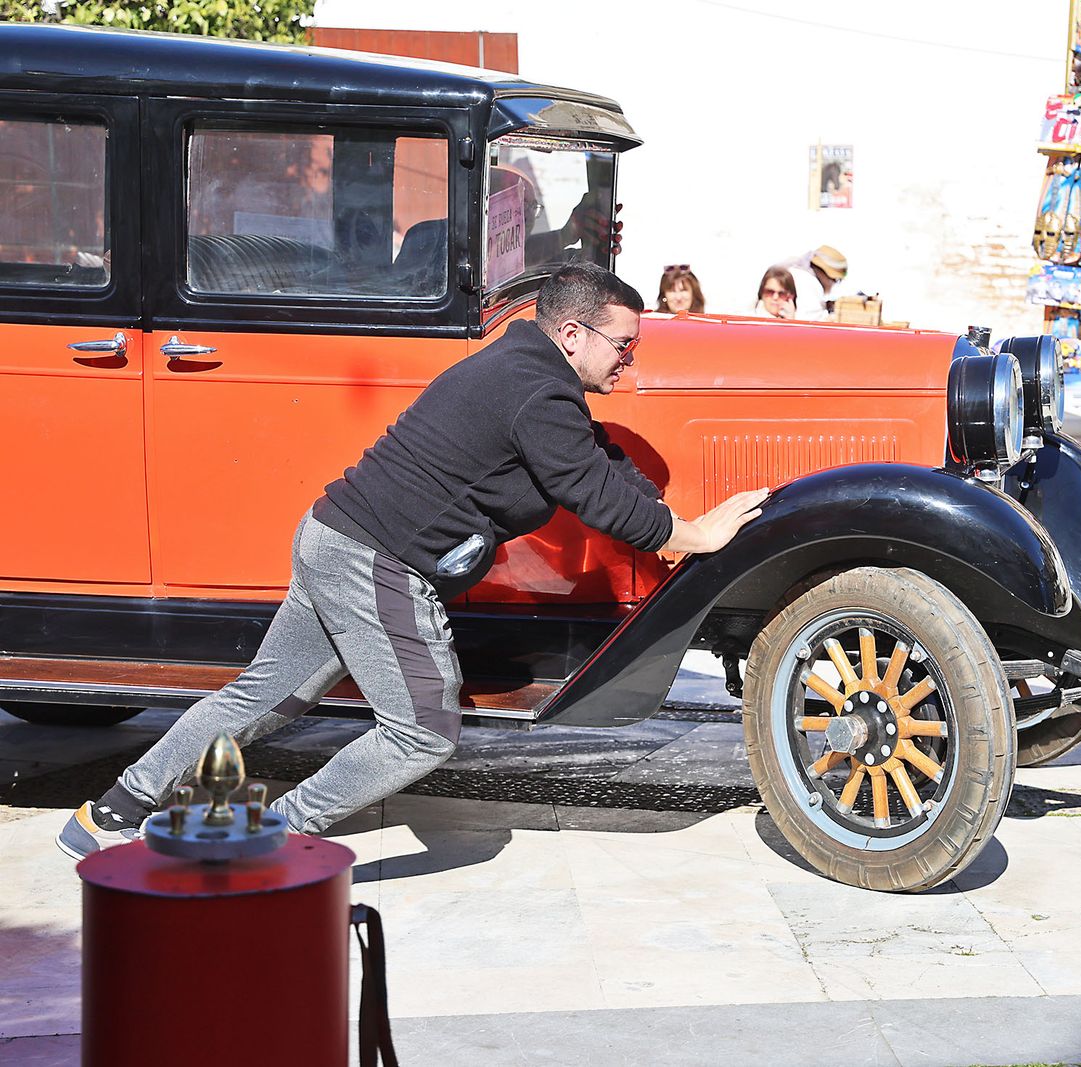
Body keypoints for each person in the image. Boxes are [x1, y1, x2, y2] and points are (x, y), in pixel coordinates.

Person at [58, 263, 768, 859]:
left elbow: (598, 461)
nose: (629, 359)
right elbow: (594, 495)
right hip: (375, 560)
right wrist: (693, 535)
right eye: (624, 345)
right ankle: (269, 838)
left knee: (260, 700)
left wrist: (670, 518)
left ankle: (108, 814)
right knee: (423, 730)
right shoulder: (536, 388)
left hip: (333, 535)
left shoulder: (529, 369)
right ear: (573, 334)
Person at [787, 245, 848, 321]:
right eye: (835, 279)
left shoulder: (795, 272)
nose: (834, 284)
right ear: (824, 272)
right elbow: (812, 319)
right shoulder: (809, 281)